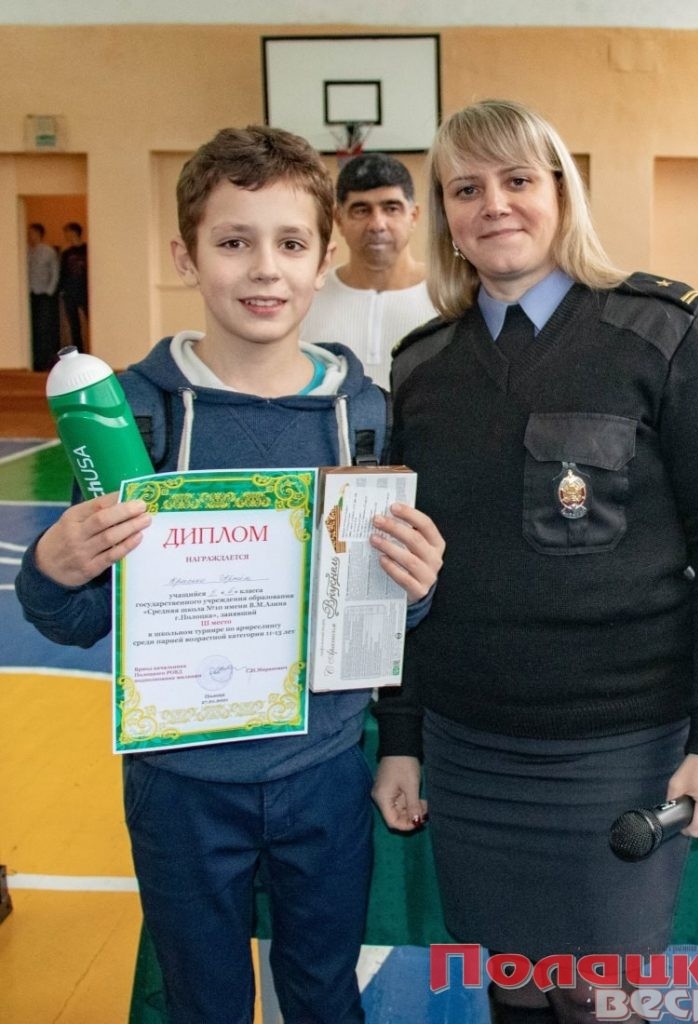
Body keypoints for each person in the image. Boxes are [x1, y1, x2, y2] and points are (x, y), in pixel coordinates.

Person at [15, 125, 445, 1024]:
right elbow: (77, 617)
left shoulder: (366, 414)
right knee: (203, 1000)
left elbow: (387, 616)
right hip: (179, 785)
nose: (264, 270)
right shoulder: (131, 415)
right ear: (187, 257)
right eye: (234, 242)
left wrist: (418, 585)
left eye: (289, 244)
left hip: (323, 772)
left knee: (323, 991)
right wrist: (53, 570)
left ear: (323, 259)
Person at [371, 99, 698, 1024]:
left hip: (622, 748)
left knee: (601, 1002)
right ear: (444, 216)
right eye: (466, 189)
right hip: (471, 751)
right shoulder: (421, 367)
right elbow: (401, 575)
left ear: (561, 193)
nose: (494, 205)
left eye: (518, 180)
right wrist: (403, 737)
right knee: (512, 992)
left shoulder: (663, 332)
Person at [299, 152, 437, 388]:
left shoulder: (451, 296)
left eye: (391, 208)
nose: (377, 225)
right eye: (361, 210)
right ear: (339, 219)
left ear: (413, 216)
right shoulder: (307, 297)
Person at [27, 222, 60, 370]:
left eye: (32, 233)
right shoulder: (27, 250)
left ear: (39, 234)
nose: (30, 236)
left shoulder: (48, 251)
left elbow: (55, 271)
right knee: (34, 327)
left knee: (45, 327)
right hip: (31, 294)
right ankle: (36, 360)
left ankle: (47, 360)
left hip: (45, 294)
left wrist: (49, 291)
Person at [59, 221, 89, 349]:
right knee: (73, 324)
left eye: (68, 232)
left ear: (74, 233)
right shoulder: (66, 253)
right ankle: (79, 351)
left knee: (91, 320)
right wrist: (62, 289)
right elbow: (63, 272)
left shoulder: (87, 249)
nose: (66, 236)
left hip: (85, 290)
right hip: (70, 291)